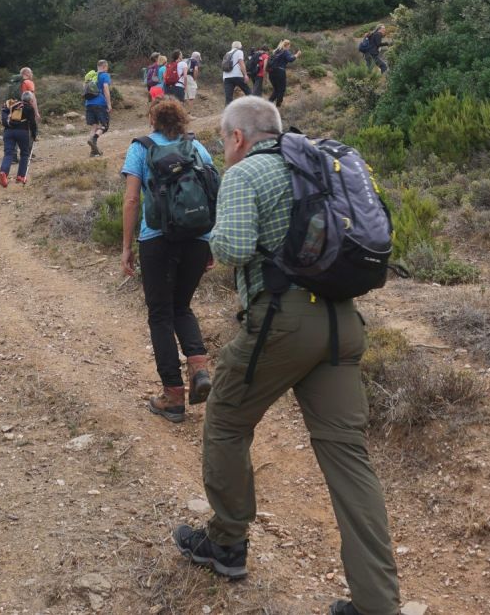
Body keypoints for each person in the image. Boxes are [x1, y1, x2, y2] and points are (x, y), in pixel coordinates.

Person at [173, 97, 401, 615]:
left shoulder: (246, 173)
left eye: (223, 140)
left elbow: (232, 249)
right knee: (348, 457)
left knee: (226, 420)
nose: (224, 149)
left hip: (284, 319)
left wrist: (215, 232)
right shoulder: (318, 164)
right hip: (342, 322)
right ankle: (377, 604)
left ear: (237, 137)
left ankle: (226, 543)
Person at [121, 98, 217, 423]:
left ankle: (173, 396)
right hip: (198, 238)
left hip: (157, 240)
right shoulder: (197, 147)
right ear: (182, 119)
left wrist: (126, 247)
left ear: (152, 120)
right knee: (182, 307)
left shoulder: (141, 148)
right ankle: (199, 369)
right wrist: (209, 243)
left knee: (161, 314)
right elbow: (212, 193)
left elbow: (131, 200)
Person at [0, 88, 33, 186]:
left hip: (8, 132)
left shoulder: (8, 106)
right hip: (22, 132)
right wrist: (34, 134)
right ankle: (21, 176)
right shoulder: (27, 107)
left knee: (8, 154)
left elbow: (3, 119)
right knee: (24, 154)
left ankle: (3, 172)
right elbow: (32, 123)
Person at [86, 58, 112, 157]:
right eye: (107, 67)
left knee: (94, 126)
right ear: (104, 66)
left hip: (89, 103)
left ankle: (93, 151)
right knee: (105, 126)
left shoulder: (91, 76)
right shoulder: (105, 75)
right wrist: (109, 104)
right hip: (100, 104)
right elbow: (106, 89)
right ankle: (94, 139)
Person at [18, 67, 41, 158]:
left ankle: (14, 155)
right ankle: (28, 152)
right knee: (31, 129)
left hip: (16, 109)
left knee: (17, 129)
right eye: (31, 72)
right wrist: (36, 112)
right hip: (27, 109)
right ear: (27, 73)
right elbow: (32, 98)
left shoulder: (17, 83)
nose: (32, 74)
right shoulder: (28, 82)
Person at [267, 40, 297, 107]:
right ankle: (278, 105)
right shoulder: (285, 51)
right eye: (289, 45)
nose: (289, 47)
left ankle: (268, 104)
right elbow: (290, 59)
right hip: (280, 72)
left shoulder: (275, 52)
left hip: (271, 73)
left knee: (276, 90)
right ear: (287, 45)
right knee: (282, 89)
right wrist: (297, 55)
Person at [221, 41, 251, 106]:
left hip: (226, 77)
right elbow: (241, 63)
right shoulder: (239, 52)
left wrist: (224, 77)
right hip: (237, 75)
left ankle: (228, 111)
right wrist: (245, 75)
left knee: (228, 97)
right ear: (239, 46)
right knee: (248, 91)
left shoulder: (227, 53)